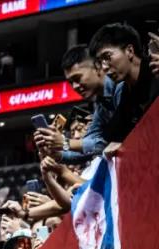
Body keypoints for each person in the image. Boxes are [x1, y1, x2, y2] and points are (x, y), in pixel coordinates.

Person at [34, 45, 117, 163]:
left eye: (77, 78)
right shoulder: (100, 105)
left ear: (98, 66)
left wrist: (65, 142)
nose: (75, 86)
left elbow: (105, 144)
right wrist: (56, 154)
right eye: (70, 82)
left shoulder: (121, 85)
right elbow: (92, 146)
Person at [90, 22, 158, 153]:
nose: (104, 67)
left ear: (129, 51)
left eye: (107, 57)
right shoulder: (125, 90)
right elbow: (112, 136)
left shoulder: (155, 71)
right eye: (100, 62)